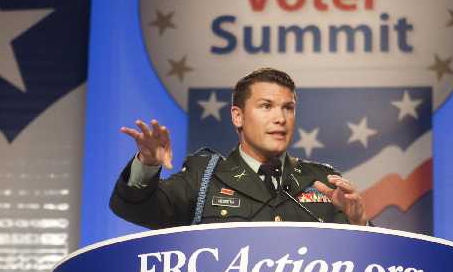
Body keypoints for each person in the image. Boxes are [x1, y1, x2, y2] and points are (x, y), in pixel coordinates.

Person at [110, 67, 368, 228]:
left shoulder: (322, 180)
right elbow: (136, 210)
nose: (280, 118)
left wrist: (359, 223)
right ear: (238, 116)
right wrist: (147, 165)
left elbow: (364, 267)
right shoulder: (203, 177)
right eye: (266, 106)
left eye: (288, 108)